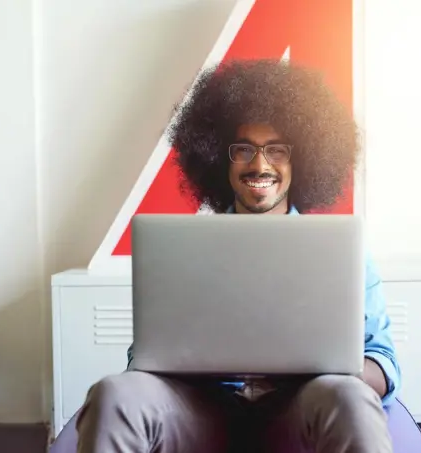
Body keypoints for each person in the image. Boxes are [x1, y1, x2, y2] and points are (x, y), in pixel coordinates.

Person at [76, 59, 401, 453]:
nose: (260, 164)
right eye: (243, 149)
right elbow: (145, 356)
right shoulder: (184, 248)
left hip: (300, 411)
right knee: (116, 392)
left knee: (349, 397)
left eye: (277, 150)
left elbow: (382, 362)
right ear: (219, 158)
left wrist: (328, 373)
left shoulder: (341, 250)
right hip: (199, 411)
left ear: (302, 159)